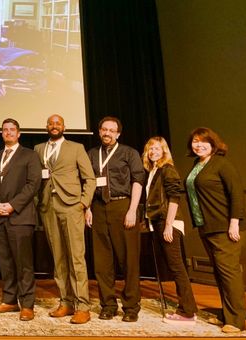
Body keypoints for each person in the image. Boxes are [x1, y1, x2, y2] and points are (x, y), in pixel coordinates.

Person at [185, 127, 246, 333]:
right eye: (195, 141)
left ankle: (237, 321)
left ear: (213, 144)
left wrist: (234, 222)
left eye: (203, 141)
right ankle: (226, 314)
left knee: (229, 272)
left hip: (226, 226)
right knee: (220, 273)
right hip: (207, 226)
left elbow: (237, 193)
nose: (198, 145)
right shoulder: (198, 164)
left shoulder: (221, 163)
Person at [34, 114, 95, 324]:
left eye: (57, 123)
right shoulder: (38, 149)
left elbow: (90, 178)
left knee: (76, 257)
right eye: (50, 123)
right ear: (46, 127)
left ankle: (83, 306)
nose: (54, 126)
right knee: (58, 258)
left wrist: (83, 203)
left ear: (64, 127)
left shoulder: (76, 147)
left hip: (71, 206)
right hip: (48, 207)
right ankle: (66, 302)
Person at [85, 116, 144, 322]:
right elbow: (88, 183)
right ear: (99, 131)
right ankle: (108, 305)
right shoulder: (92, 154)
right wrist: (88, 208)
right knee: (102, 262)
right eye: (104, 129)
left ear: (118, 134)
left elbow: (138, 181)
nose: (107, 133)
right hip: (99, 208)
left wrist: (132, 210)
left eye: (111, 130)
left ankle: (131, 306)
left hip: (123, 206)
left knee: (128, 260)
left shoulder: (129, 153)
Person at [0, 118, 42, 321]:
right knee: (5, 263)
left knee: (23, 263)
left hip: (20, 217)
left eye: (12, 130)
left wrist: (12, 205)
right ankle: (9, 300)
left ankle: (27, 304)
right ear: (2, 134)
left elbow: (33, 184)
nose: (8, 132)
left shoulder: (30, 155)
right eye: (5, 130)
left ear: (19, 134)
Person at [142, 136, 198, 325]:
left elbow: (175, 197)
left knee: (177, 268)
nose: (153, 152)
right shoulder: (154, 170)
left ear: (164, 151)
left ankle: (187, 312)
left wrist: (168, 225)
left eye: (157, 149)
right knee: (174, 267)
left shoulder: (168, 169)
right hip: (159, 223)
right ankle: (187, 309)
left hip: (169, 224)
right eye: (150, 149)